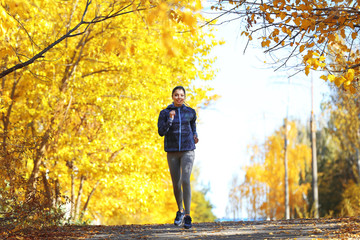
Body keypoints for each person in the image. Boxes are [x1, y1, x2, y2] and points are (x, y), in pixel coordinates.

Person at [157, 86, 199, 229]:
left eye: (181, 95)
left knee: (185, 180)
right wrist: (170, 119)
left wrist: (195, 135)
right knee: (176, 183)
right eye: (176, 95)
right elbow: (161, 132)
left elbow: (193, 126)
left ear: (184, 97)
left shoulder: (190, 112)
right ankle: (180, 210)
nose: (179, 97)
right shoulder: (165, 113)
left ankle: (187, 216)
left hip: (188, 150)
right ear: (172, 96)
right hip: (172, 151)